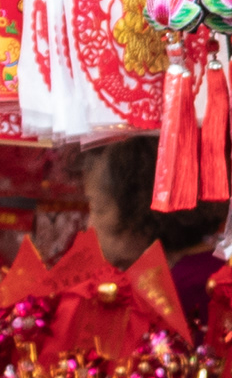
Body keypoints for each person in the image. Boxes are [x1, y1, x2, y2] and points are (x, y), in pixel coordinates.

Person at [75, 136, 222, 330]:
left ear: (139, 209)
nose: (89, 226)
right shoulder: (205, 270)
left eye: (99, 208)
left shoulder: (180, 291)